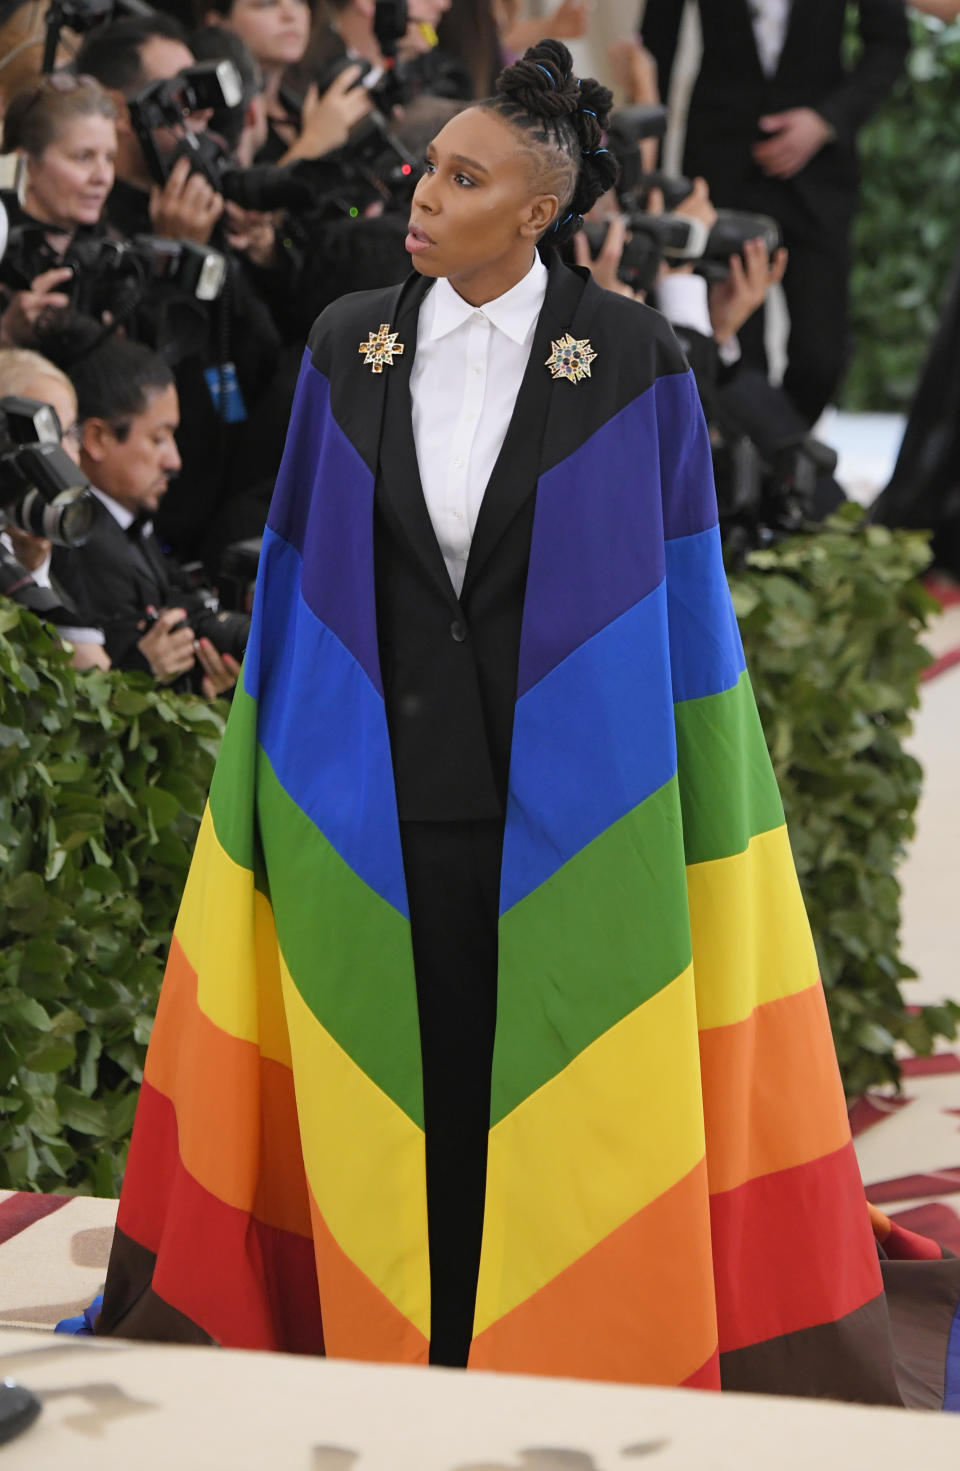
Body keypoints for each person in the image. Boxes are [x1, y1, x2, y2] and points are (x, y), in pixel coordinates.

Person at [95, 38, 917, 1401]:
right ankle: (392, 1325)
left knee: (538, 1056)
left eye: (463, 177)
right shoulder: (344, 347)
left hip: (577, 797)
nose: (422, 193)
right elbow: (301, 582)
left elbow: (682, 610)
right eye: (429, 168)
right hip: (372, 779)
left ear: (537, 211)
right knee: (387, 1056)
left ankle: (533, 1332)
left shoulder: (635, 358)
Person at [641, 0, 910, 426]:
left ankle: (782, 460)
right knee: (735, 349)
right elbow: (658, 42)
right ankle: (753, 473)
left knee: (822, 353)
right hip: (721, 162)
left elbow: (891, 41)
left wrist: (826, 120)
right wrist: (647, 175)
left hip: (819, 173)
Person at [39, 319, 245, 698]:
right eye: (158, 438)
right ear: (98, 439)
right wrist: (144, 671)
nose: (175, 461)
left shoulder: (129, 526)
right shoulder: (78, 548)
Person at [0, 346, 110, 672]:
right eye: (42, 437)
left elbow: (97, 671)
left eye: (67, 434)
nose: (61, 457)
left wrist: (31, 567)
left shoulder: (70, 537)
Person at [0, 73, 118, 349]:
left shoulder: (114, 248)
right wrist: (6, 333)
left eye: (110, 158)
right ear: (27, 163)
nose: (103, 177)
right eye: (83, 157)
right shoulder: (5, 245)